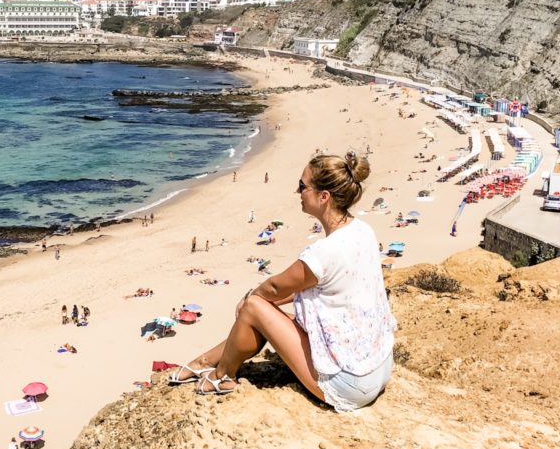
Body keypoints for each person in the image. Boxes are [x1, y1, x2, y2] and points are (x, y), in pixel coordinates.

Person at [170, 152, 397, 413]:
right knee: (260, 311)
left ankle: (223, 376)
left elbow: (274, 288)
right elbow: (301, 287)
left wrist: (248, 300)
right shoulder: (363, 230)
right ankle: (204, 361)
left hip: (350, 384)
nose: (297, 191)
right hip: (377, 368)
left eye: (303, 186)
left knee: (255, 306)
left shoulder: (325, 251)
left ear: (324, 196)